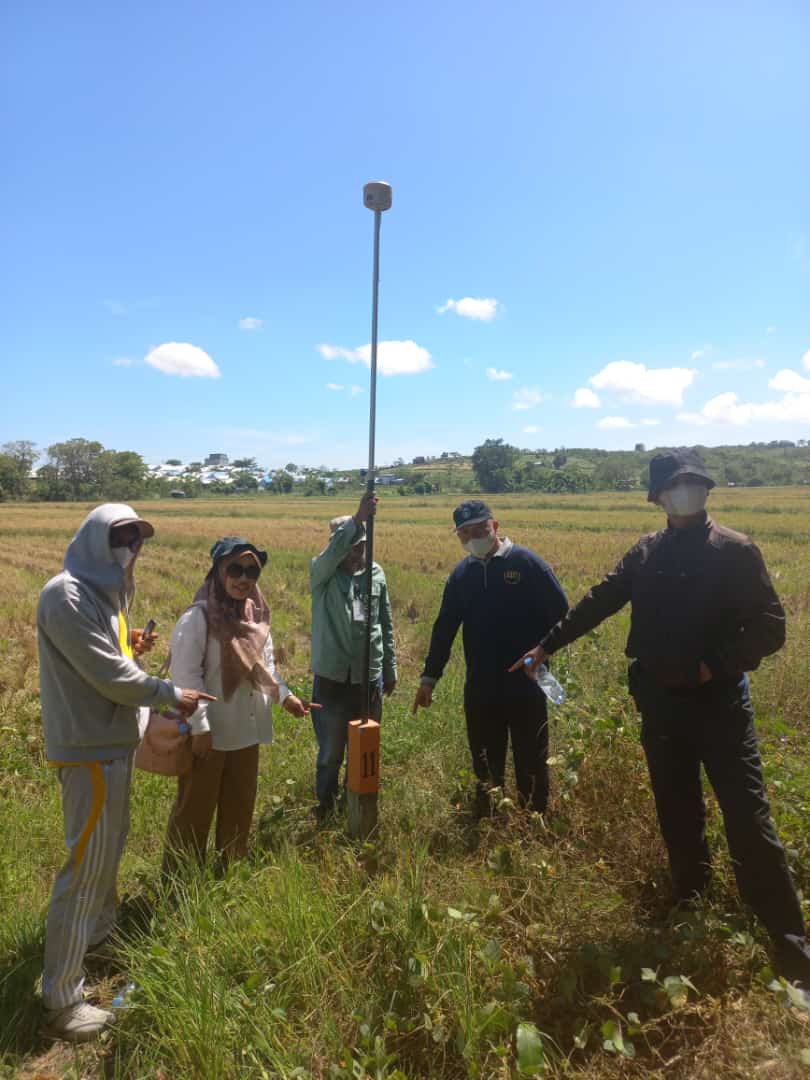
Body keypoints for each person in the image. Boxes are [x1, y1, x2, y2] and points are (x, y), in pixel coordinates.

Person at [511, 448, 810, 998]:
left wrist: (712, 665)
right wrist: (546, 646)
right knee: (677, 809)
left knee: (749, 817)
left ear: (705, 489)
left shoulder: (737, 552)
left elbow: (770, 627)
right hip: (661, 704)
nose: (685, 492)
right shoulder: (646, 554)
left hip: (720, 705)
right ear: (658, 498)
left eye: (693, 482)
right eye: (675, 486)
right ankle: (691, 904)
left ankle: (792, 949)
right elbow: (600, 601)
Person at [37, 503, 214, 1043]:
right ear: (94, 538)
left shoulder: (102, 596)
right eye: (121, 536)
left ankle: (94, 937)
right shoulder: (65, 594)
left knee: (106, 853)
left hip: (112, 744)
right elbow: (110, 677)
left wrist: (129, 646)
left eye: (137, 538)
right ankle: (63, 1000)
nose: (131, 547)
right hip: (89, 750)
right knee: (84, 868)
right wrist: (168, 693)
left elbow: (108, 658)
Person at [413, 500, 568, 817]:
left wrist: (543, 651)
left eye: (480, 529)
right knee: (484, 759)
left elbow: (563, 615)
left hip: (528, 683)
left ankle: (532, 822)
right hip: (482, 686)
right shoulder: (461, 575)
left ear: (495, 526)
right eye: (464, 533)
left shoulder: (528, 564)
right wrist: (429, 679)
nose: (473, 538)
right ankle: (487, 818)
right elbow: (444, 629)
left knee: (531, 760)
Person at [165, 537, 314, 868]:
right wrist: (200, 727)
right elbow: (186, 678)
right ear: (218, 570)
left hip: (246, 730)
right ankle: (178, 881)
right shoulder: (198, 619)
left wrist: (286, 697)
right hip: (209, 733)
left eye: (251, 571)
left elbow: (267, 669)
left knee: (239, 807)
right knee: (194, 810)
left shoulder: (257, 619)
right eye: (234, 569)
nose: (243, 578)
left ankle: (227, 875)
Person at [309, 492, 397, 820]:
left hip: (367, 678)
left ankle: (358, 804)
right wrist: (358, 518)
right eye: (349, 544)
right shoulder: (323, 574)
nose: (355, 551)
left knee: (365, 746)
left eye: (360, 544)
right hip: (332, 679)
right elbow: (330, 556)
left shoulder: (376, 574)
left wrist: (389, 668)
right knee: (331, 751)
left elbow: (385, 623)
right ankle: (326, 807)